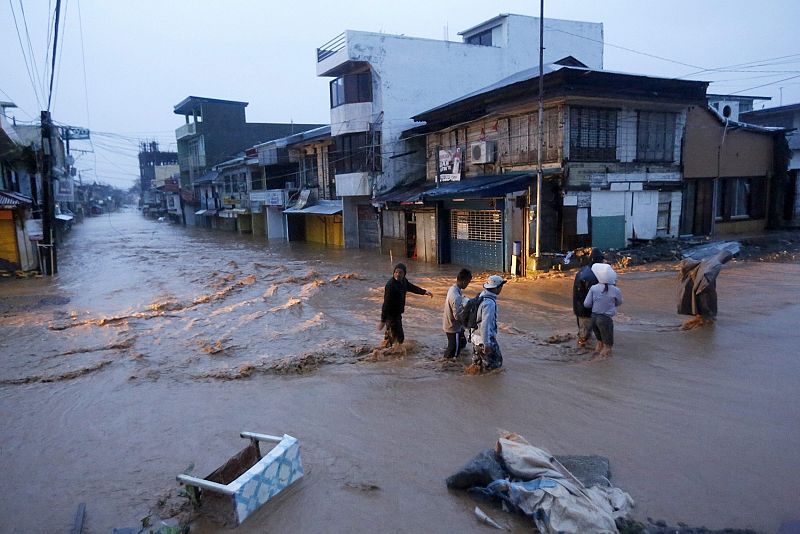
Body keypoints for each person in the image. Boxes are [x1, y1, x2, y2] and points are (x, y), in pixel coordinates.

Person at [379, 262, 433, 350]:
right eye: (396, 272)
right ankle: (389, 357)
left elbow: (412, 287)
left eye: (400, 272)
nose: (397, 274)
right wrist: (383, 320)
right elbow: (386, 304)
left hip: (397, 315)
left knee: (391, 340)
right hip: (391, 316)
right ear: (393, 273)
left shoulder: (404, 281)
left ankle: (383, 354)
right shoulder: (390, 286)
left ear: (404, 274)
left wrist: (424, 292)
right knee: (399, 339)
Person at [677, 250, 733, 330]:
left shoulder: (709, 260)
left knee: (701, 304)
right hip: (705, 287)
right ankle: (705, 322)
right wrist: (705, 288)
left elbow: (694, 266)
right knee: (707, 305)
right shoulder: (716, 264)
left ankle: (703, 319)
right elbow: (707, 275)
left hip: (699, 284)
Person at [583, 263, 623, 359]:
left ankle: (594, 357)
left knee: (599, 343)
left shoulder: (593, 288)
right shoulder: (616, 290)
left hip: (593, 317)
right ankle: (601, 365)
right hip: (605, 319)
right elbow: (619, 303)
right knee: (608, 346)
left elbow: (586, 304)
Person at [470, 274, 506, 371]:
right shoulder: (489, 303)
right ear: (496, 288)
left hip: (475, 338)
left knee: (478, 367)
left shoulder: (481, 296)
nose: (501, 288)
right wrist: (487, 344)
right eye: (501, 286)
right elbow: (485, 325)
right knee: (496, 366)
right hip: (483, 340)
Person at [572, 248, 605, 348]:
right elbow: (594, 296)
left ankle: (584, 348)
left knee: (584, 332)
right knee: (584, 336)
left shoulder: (583, 270)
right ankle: (579, 353)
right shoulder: (594, 276)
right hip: (586, 310)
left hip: (579, 308)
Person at [442, 268, 472, 359]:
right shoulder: (456, 297)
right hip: (453, 328)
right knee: (454, 351)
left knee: (462, 343)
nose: (468, 284)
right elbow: (457, 317)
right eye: (468, 282)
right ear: (463, 281)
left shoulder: (453, 289)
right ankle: (446, 368)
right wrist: (468, 323)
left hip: (448, 323)